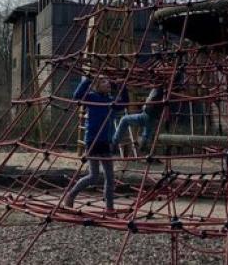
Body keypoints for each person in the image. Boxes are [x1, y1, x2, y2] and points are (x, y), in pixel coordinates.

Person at [63, 75, 128, 212]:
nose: (108, 82)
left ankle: (109, 208)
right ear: (97, 85)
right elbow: (77, 96)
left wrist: (122, 87)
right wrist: (88, 80)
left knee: (110, 177)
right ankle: (71, 195)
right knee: (93, 176)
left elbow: (124, 103)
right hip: (93, 141)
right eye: (104, 81)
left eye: (108, 81)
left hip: (105, 142)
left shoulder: (110, 101)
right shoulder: (92, 97)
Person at [112, 86, 164, 154]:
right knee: (146, 134)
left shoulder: (158, 89)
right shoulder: (161, 91)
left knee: (124, 119)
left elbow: (149, 103)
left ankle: (114, 141)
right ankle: (143, 143)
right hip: (153, 118)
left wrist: (145, 104)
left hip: (147, 115)